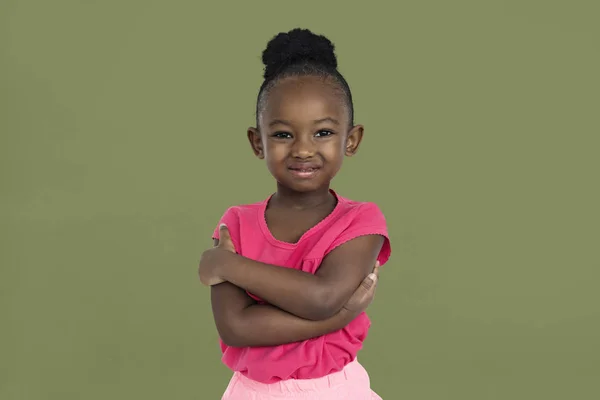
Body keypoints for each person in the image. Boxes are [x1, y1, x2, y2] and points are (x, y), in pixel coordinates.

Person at [198, 28, 392, 399]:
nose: (303, 150)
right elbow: (237, 327)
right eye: (284, 135)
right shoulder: (236, 222)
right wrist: (340, 315)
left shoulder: (361, 221)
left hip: (334, 390)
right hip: (250, 392)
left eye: (322, 133)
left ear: (351, 139)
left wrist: (225, 265)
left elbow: (321, 298)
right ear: (259, 142)